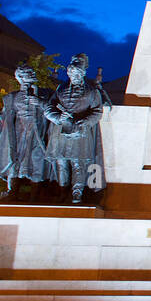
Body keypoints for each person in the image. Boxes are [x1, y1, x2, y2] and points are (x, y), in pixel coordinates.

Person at [43, 54, 110, 204]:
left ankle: (77, 194)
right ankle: (62, 191)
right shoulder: (61, 88)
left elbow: (97, 111)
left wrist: (82, 122)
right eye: (71, 73)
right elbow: (48, 108)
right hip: (60, 133)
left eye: (77, 73)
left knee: (78, 164)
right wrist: (58, 118)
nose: (74, 76)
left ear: (83, 73)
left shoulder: (92, 91)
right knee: (61, 164)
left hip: (80, 133)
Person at [0, 64, 52, 200]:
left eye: (31, 72)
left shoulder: (44, 94)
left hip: (37, 133)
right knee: (14, 162)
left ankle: (35, 196)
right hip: (18, 134)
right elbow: (3, 119)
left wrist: (40, 103)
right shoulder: (12, 97)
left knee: (37, 161)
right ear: (20, 77)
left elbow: (54, 113)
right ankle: (12, 191)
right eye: (27, 73)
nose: (31, 74)